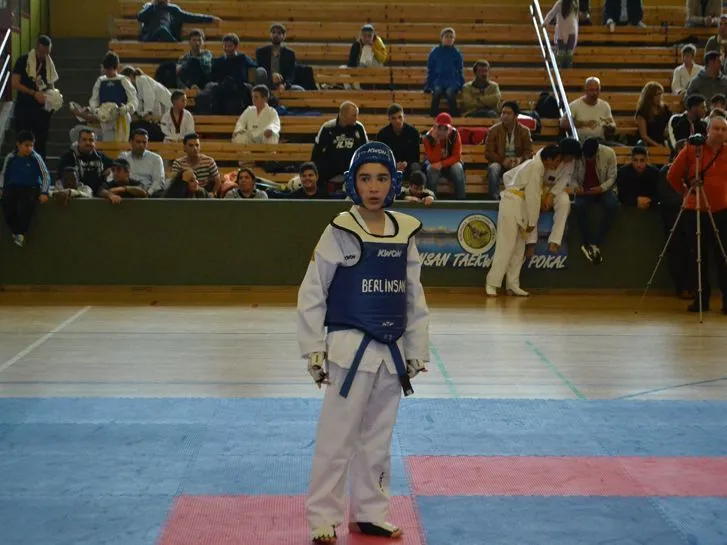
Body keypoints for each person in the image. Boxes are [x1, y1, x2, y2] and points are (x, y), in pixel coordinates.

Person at [297, 142, 430, 544]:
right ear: (352, 183)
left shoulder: (404, 232)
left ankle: (370, 513)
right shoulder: (341, 229)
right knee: (337, 437)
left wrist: (417, 349)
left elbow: (413, 296)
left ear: (394, 183)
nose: (374, 187)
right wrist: (313, 347)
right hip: (349, 349)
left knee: (378, 439)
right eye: (366, 178)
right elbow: (313, 290)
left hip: (390, 353)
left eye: (382, 178)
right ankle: (323, 517)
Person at [667, 115, 727, 314]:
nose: (720, 132)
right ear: (708, 130)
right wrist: (686, 192)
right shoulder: (693, 149)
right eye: (716, 128)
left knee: (723, 256)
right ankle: (701, 299)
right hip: (695, 210)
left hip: (722, 210)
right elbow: (672, 175)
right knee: (698, 257)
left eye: (723, 129)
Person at [485, 144, 563, 297]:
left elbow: (507, 176)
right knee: (506, 246)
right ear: (548, 159)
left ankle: (512, 285)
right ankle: (492, 282)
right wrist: (532, 223)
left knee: (519, 249)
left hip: (519, 205)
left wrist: (514, 188)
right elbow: (533, 198)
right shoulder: (534, 167)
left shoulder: (533, 164)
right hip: (513, 204)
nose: (558, 164)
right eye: (557, 160)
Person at [11, 35, 58, 160]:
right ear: (36, 48)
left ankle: (39, 167)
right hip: (24, 107)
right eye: (42, 52)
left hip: (42, 110)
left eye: (47, 53)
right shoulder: (23, 60)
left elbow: (51, 85)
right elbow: (14, 83)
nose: (44, 55)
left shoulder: (49, 64)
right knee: (22, 140)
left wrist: (53, 99)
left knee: (41, 143)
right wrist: (33, 93)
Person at [0, 131, 51, 247]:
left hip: (30, 188)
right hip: (13, 187)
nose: (29, 149)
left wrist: (44, 192)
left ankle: (22, 232)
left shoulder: (35, 157)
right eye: (26, 145)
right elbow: (4, 173)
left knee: (26, 204)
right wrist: (1, 188)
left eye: (31, 145)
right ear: (18, 145)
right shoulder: (11, 157)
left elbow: (45, 175)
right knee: (6, 203)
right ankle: (16, 231)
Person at [543, 0, 579, 68]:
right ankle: (560, 69)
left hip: (571, 31)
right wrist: (545, 22)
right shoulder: (560, 3)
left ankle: (566, 70)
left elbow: (576, 18)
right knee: (561, 53)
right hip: (562, 31)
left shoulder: (574, 3)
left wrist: (576, 30)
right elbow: (552, 13)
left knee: (568, 53)